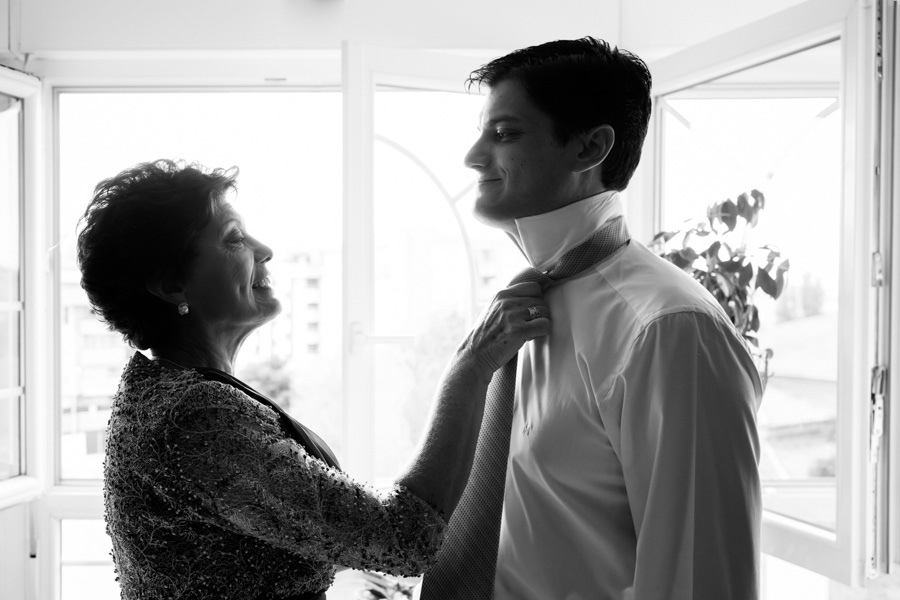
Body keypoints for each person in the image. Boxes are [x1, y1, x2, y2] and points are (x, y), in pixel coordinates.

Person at [76, 159, 550, 600]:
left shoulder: (154, 391)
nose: (265, 250)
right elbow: (403, 538)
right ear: (171, 285)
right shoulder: (196, 415)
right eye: (234, 239)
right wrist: (472, 363)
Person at [426, 37, 763, 600]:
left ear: (590, 147)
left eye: (504, 133)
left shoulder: (669, 329)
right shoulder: (517, 311)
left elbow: (700, 582)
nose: (473, 157)